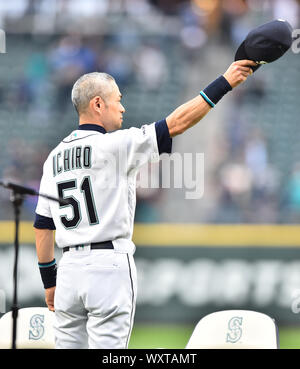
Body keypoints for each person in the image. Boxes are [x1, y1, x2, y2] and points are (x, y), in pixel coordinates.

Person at [34, 59, 256, 349]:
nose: (122, 107)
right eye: (118, 100)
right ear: (98, 104)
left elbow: (42, 227)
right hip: (108, 266)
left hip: (68, 270)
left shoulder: (54, 158)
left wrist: (50, 282)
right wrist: (225, 82)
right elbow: (177, 123)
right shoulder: (115, 145)